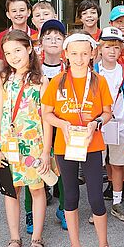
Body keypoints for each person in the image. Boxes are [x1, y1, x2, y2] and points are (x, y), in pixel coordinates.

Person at [41, 33, 118, 247]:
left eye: (85, 53)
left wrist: (96, 123)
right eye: (74, 53)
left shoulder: (99, 81)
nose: (79, 58)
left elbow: (107, 112)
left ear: (92, 54)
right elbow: (47, 113)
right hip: (66, 147)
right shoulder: (57, 82)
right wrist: (63, 124)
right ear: (66, 55)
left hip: (92, 145)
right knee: (71, 197)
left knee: (96, 198)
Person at [0, 30, 55, 247]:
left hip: (34, 145)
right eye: (8, 53)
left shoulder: (41, 81)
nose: (13, 56)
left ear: (29, 49)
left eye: (18, 50)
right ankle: (14, 238)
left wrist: (46, 151)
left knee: (37, 190)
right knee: (11, 190)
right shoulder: (3, 80)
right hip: (8, 146)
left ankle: (36, 238)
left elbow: (47, 119)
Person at [94, 27, 124, 222]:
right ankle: (97, 206)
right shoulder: (92, 71)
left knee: (118, 164)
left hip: (119, 123)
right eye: (108, 46)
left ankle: (117, 202)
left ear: (121, 51)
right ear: (100, 48)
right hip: (98, 124)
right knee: (96, 164)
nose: (112, 51)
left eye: (116, 47)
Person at [39, 19, 68, 229]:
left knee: (65, 167)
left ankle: (65, 208)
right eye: (48, 37)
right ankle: (37, 206)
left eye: (58, 37)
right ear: (40, 42)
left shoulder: (69, 67)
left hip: (63, 123)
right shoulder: (35, 69)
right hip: (38, 125)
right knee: (41, 163)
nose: (53, 41)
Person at [0, 0, 36, 76]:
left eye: (22, 10)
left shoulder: (36, 36)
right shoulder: (1, 37)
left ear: (29, 12)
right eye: (14, 11)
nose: (18, 14)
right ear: (8, 14)